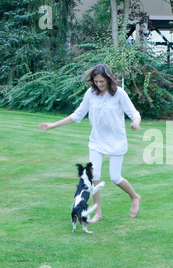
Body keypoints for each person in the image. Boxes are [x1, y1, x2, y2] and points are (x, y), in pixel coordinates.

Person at [38, 64, 142, 222]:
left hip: (117, 140)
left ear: (108, 79)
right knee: (94, 176)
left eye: (102, 81)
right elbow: (77, 114)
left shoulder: (119, 94)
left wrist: (136, 122)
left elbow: (134, 113)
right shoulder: (90, 94)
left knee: (115, 177)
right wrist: (53, 125)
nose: (99, 84)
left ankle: (135, 197)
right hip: (97, 141)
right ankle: (98, 213)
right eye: (96, 81)